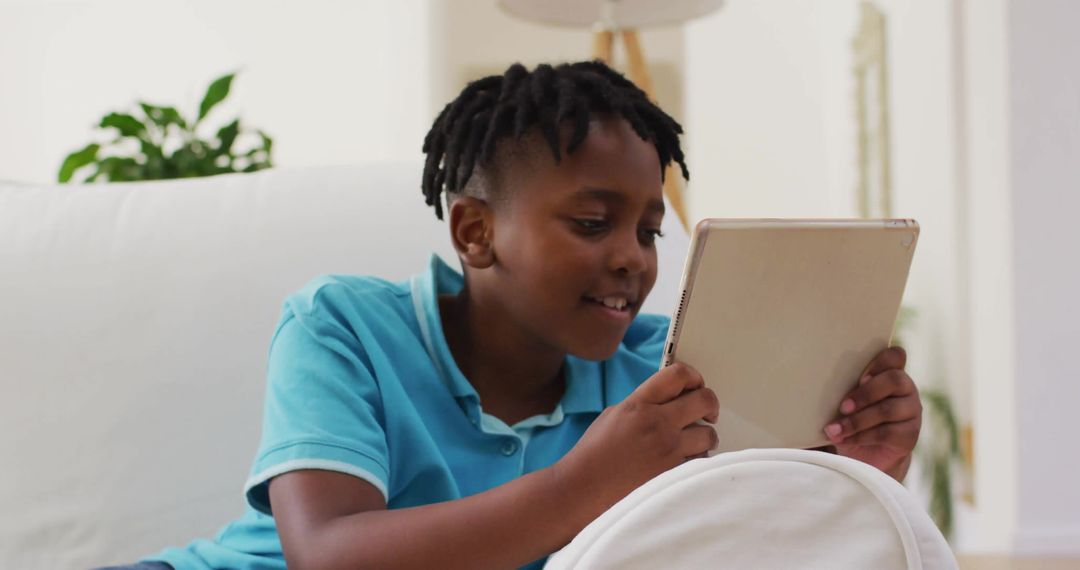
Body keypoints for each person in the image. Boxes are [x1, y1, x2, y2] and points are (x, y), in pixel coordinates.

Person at [109, 61, 922, 570]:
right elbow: (328, 555)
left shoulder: (665, 380)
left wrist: (861, 467)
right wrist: (584, 483)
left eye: (649, 231)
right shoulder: (343, 328)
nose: (635, 259)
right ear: (475, 232)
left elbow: (749, 541)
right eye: (593, 222)